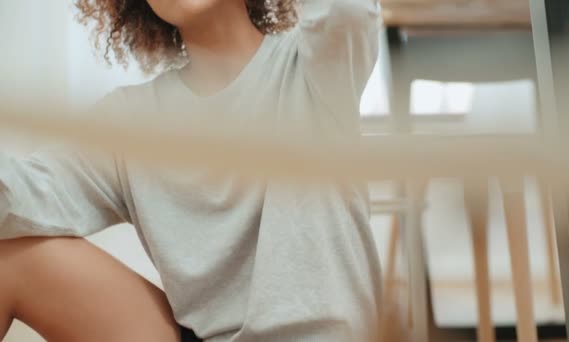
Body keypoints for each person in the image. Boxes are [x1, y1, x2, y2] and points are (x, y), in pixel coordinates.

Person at [0, 0, 382, 341]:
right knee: (8, 260)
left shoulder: (314, 66)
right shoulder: (130, 122)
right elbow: (16, 198)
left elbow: (347, 9)